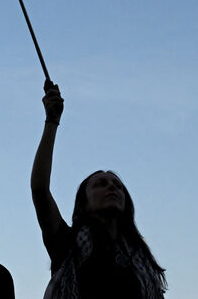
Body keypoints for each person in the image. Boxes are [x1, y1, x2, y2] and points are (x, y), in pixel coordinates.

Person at [31, 82, 167, 299]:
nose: (112, 187)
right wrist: (52, 121)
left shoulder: (140, 260)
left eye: (117, 185)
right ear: (83, 203)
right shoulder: (67, 244)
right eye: (101, 184)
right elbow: (40, 190)